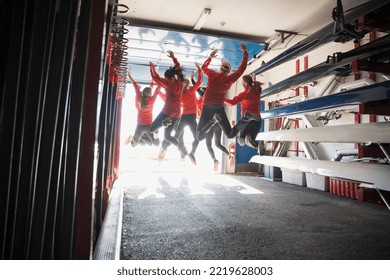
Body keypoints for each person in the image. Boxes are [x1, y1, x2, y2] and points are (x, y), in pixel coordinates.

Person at [197, 42, 249, 141]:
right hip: (218, 108)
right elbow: (242, 69)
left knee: (199, 137)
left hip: (207, 106)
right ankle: (245, 118)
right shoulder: (229, 79)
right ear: (228, 71)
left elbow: (203, 68)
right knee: (229, 134)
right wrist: (245, 53)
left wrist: (210, 57)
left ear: (220, 69)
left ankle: (244, 119)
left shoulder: (212, 75)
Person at [149, 50, 195, 163]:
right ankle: (185, 152)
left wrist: (152, 67)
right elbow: (178, 68)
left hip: (167, 111)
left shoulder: (167, 83)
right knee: (168, 136)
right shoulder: (180, 81)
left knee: (152, 128)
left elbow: (155, 77)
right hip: (177, 113)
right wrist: (174, 58)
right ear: (173, 75)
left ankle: (163, 123)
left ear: (166, 77)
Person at [158, 64, 203, 164]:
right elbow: (200, 81)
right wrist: (199, 69)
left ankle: (164, 149)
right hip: (191, 117)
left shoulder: (178, 93)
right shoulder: (191, 90)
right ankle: (192, 153)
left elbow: (166, 97)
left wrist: (158, 91)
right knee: (197, 137)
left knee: (176, 136)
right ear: (187, 85)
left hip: (183, 117)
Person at [224, 74, 262, 149]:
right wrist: (254, 79)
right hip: (257, 120)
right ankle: (258, 147)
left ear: (245, 83)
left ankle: (257, 146)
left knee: (241, 141)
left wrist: (221, 99)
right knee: (251, 139)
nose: (241, 83)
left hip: (246, 119)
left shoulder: (245, 94)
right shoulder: (256, 89)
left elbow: (231, 103)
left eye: (242, 82)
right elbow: (254, 86)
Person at [125, 69, 160, 147]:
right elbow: (157, 90)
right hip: (149, 127)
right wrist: (158, 79)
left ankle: (134, 138)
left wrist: (129, 75)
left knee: (134, 145)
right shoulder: (151, 100)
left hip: (140, 126)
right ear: (150, 94)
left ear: (143, 92)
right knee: (155, 144)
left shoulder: (139, 97)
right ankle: (155, 132)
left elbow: (134, 85)